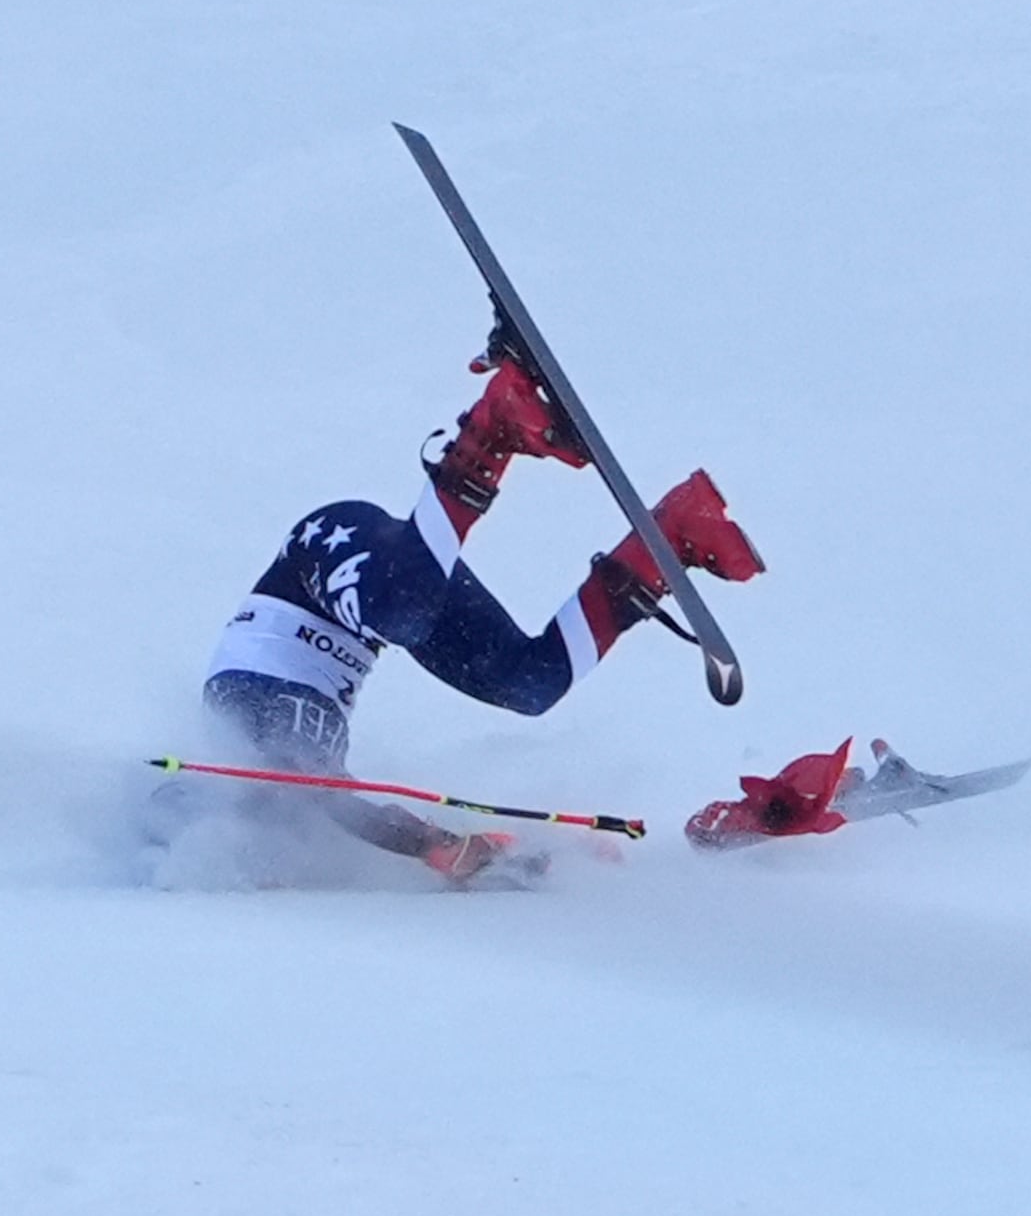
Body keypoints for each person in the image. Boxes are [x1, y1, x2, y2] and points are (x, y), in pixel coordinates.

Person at [196, 320, 764, 884]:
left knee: (401, 615)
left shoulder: (243, 742)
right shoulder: (309, 790)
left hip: (323, 558)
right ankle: (667, 540)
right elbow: (344, 804)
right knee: (530, 685)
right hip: (389, 603)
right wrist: (522, 860)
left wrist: (438, 846)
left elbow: (325, 796)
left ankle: (492, 428)